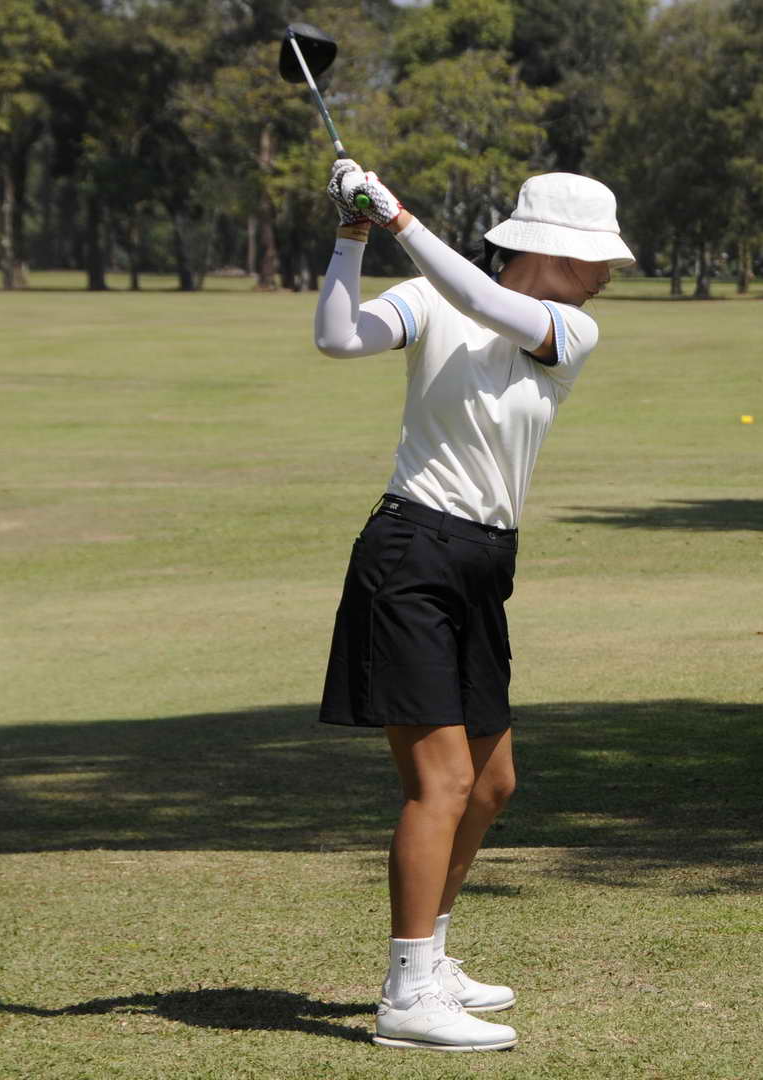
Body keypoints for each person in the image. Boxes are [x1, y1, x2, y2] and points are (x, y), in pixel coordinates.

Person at [311, 159, 633, 1051]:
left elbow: (488, 303)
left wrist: (398, 217)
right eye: (598, 257)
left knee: (492, 783)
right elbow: (338, 338)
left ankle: (435, 957)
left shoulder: (569, 328)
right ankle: (407, 993)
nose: (609, 274)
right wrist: (352, 233)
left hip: (485, 564)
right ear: (550, 248)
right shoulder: (430, 296)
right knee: (443, 782)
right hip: (410, 552)